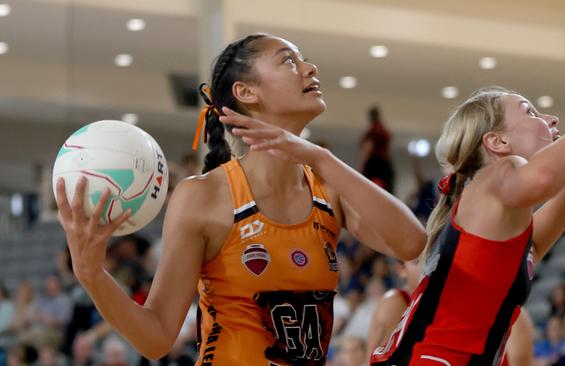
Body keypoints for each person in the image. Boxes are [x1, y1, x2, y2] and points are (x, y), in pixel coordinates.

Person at [55, 33, 425, 365]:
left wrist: (320, 157)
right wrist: (91, 274)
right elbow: (156, 338)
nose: (309, 68)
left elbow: (411, 242)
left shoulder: (327, 184)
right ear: (247, 92)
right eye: (288, 60)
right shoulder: (203, 195)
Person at [371, 63, 565, 365]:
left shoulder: (498, 214)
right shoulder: (498, 173)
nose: (550, 120)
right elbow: (542, 179)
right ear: (498, 142)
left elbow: (530, 248)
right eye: (530, 112)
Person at [366, 259, 421, 356]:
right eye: (417, 262)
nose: (426, 265)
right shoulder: (394, 302)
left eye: (430, 256)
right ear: (401, 269)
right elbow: (374, 359)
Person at [359, 106, 395, 193]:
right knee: (387, 187)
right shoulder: (383, 129)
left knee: (367, 185)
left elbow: (368, 147)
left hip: (374, 163)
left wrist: (362, 165)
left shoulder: (373, 131)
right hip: (384, 163)